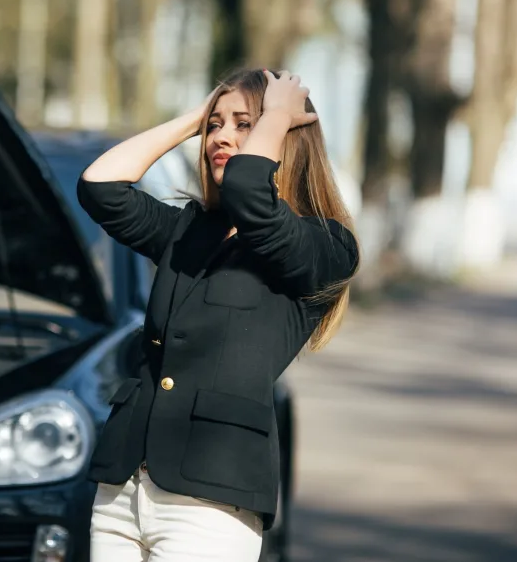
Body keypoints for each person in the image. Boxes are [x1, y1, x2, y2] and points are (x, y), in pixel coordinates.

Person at [76, 67, 360, 562]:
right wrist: (195, 117)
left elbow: (252, 193)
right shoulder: (191, 230)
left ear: (285, 138)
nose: (222, 137)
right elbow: (100, 187)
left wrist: (274, 114)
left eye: (243, 124)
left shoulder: (325, 246)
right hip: (123, 492)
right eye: (217, 126)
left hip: (211, 502)